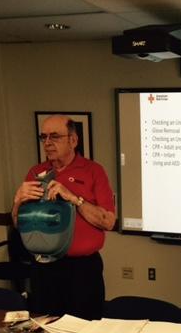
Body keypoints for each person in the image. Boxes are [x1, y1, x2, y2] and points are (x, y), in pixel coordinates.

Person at [12, 114, 115, 320]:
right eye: (44, 137)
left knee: (85, 331)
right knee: (45, 329)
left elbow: (108, 222)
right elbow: (18, 225)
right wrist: (17, 202)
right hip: (44, 268)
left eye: (55, 136)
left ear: (73, 140)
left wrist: (73, 198)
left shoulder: (93, 171)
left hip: (82, 270)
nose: (47, 143)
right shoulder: (36, 172)